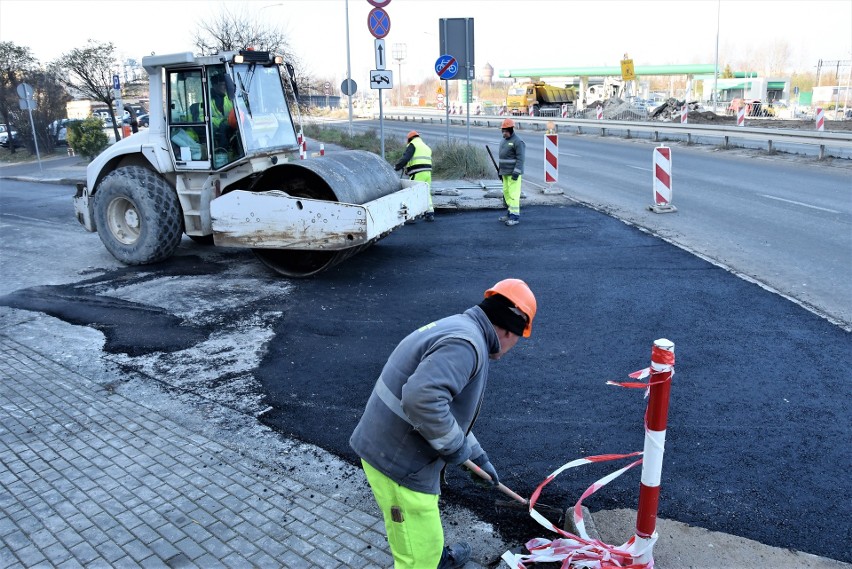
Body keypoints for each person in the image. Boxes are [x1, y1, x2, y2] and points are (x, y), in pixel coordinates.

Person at [350, 278, 538, 569]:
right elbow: (421, 400)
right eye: (519, 338)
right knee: (416, 559)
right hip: (398, 465)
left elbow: (447, 410)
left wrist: (476, 456)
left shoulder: (462, 328)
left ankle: (438, 557)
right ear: (508, 329)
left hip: (391, 446)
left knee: (422, 534)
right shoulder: (467, 345)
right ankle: (430, 561)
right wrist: (455, 450)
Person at [394, 130, 435, 222]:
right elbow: (420, 160)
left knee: (412, 193)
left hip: (418, 173)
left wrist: (397, 167)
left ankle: (410, 216)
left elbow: (406, 158)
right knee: (426, 192)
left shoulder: (412, 145)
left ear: (410, 139)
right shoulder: (426, 147)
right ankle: (430, 213)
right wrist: (408, 169)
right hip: (427, 173)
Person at [497, 118, 526, 226]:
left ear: (510, 130)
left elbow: (520, 159)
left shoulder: (518, 142)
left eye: (505, 131)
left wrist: (516, 172)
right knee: (507, 193)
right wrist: (500, 171)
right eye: (502, 130)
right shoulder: (503, 141)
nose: (503, 133)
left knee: (514, 195)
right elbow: (502, 158)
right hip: (504, 173)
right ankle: (509, 214)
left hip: (513, 174)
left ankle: (514, 217)